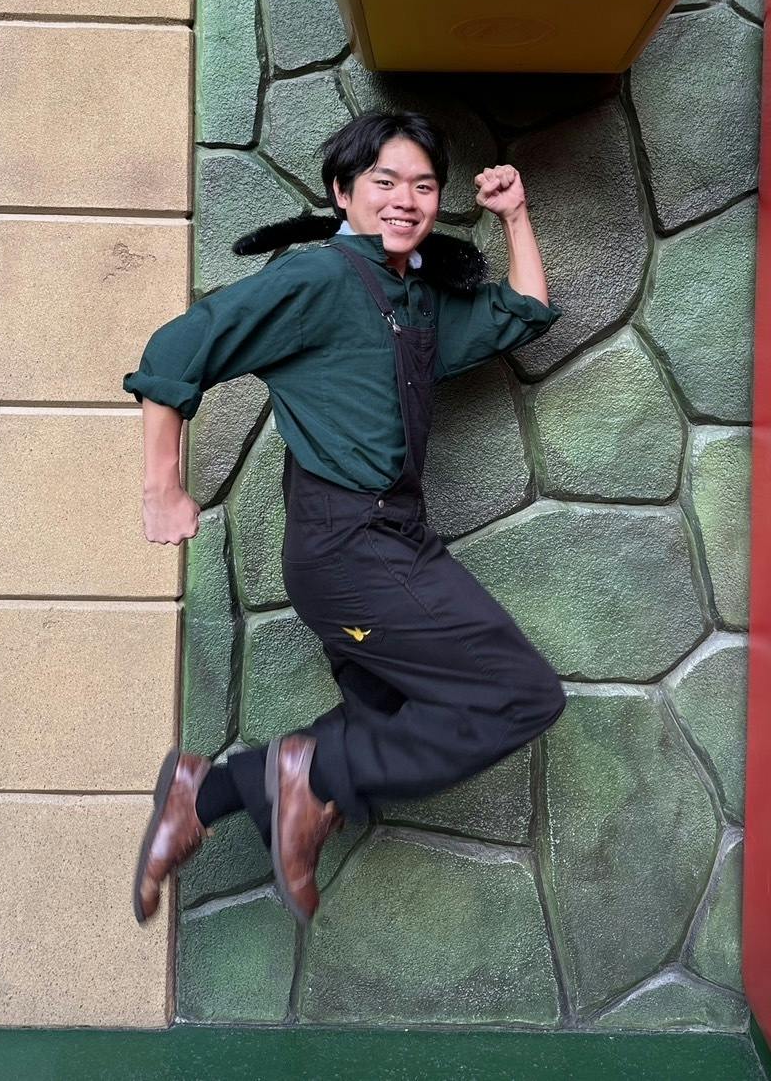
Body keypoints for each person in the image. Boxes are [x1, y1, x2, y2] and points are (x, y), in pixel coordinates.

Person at [125, 109, 567, 927]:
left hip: (392, 539)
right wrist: (163, 487)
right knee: (520, 694)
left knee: (387, 715)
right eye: (384, 181)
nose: (406, 199)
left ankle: (204, 793)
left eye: (423, 186)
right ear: (342, 191)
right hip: (349, 548)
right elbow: (178, 349)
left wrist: (514, 216)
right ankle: (308, 778)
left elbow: (523, 311)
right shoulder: (319, 279)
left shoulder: (413, 298)